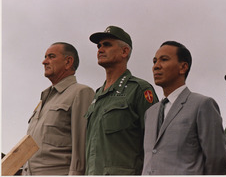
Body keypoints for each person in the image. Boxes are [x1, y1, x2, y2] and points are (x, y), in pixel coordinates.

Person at [142, 41, 226, 175]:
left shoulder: (202, 105)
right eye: (154, 61)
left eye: (164, 60)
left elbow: (217, 159)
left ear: (183, 67)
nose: (156, 66)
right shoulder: (150, 113)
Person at [85, 25, 158, 175]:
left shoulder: (139, 89)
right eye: (99, 46)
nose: (100, 49)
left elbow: (155, 144)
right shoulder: (97, 96)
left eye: (107, 45)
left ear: (125, 51)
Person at [22, 42, 95, 175]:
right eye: (45, 57)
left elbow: (82, 145)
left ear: (68, 62)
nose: (44, 62)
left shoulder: (81, 93)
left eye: (51, 56)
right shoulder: (44, 99)